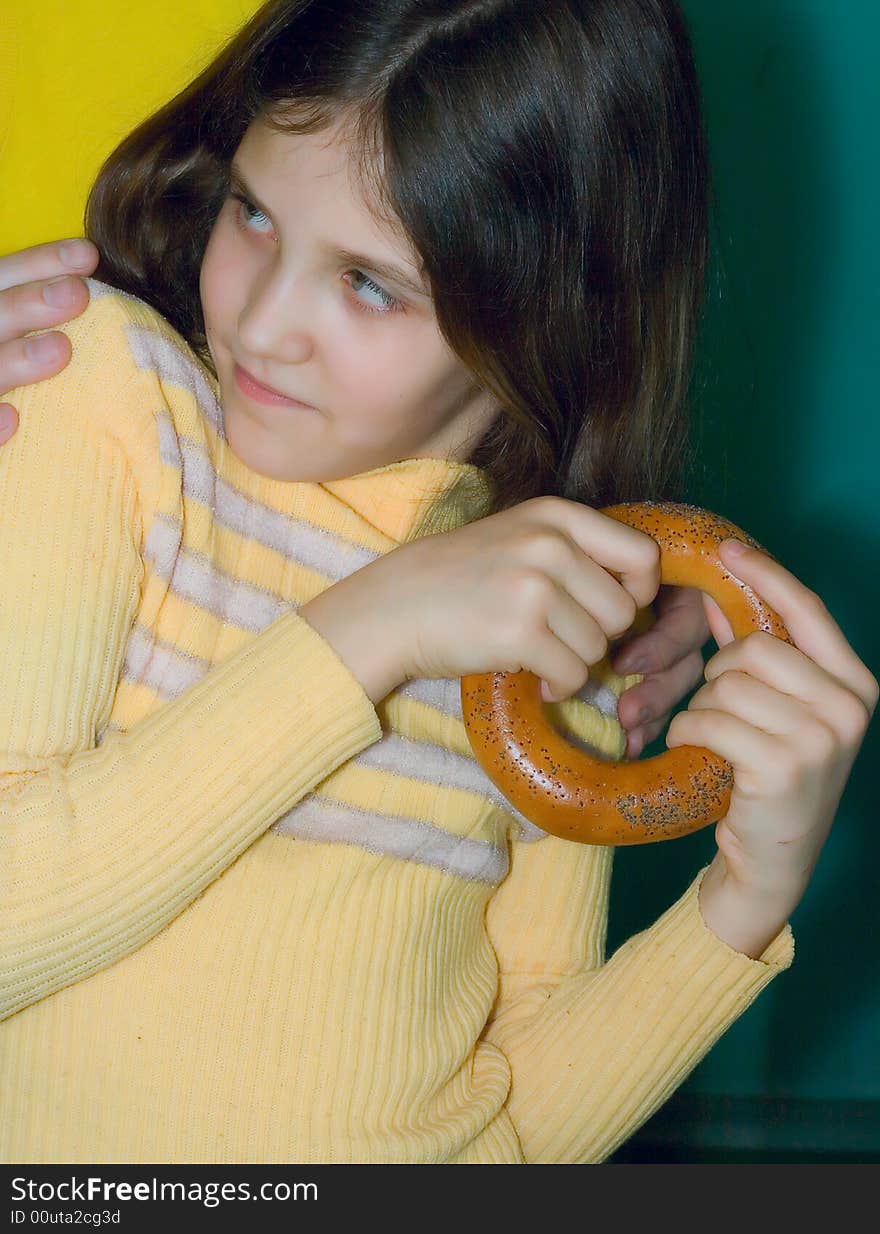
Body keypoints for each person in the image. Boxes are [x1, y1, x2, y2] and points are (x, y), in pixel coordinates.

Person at [0, 0, 875, 1166]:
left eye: (369, 286)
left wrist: (740, 905)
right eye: (254, 213)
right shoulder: (99, 394)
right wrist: (371, 627)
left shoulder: (558, 634)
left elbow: (507, 1128)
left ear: (544, 322)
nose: (261, 325)